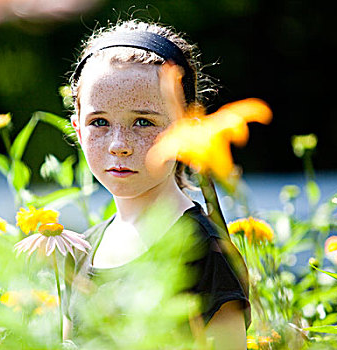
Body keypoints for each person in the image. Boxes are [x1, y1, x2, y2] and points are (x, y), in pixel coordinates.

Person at [63, 19, 250, 349]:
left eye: (143, 121)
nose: (118, 144)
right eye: (100, 122)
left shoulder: (204, 249)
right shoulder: (81, 250)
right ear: (78, 129)